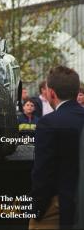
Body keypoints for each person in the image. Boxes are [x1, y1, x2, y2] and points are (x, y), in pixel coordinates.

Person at [29, 66, 84, 230]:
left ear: (51, 93)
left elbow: (42, 172)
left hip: (58, 206)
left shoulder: (49, 123)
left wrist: (37, 209)